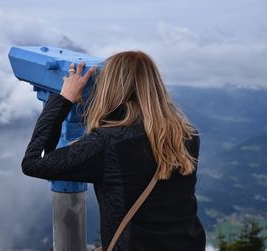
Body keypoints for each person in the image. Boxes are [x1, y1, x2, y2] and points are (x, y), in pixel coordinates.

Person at [21, 50, 206, 250]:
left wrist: (63, 99)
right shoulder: (186, 134)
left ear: (110, 88)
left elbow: (34, 163)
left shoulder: (108, 143)